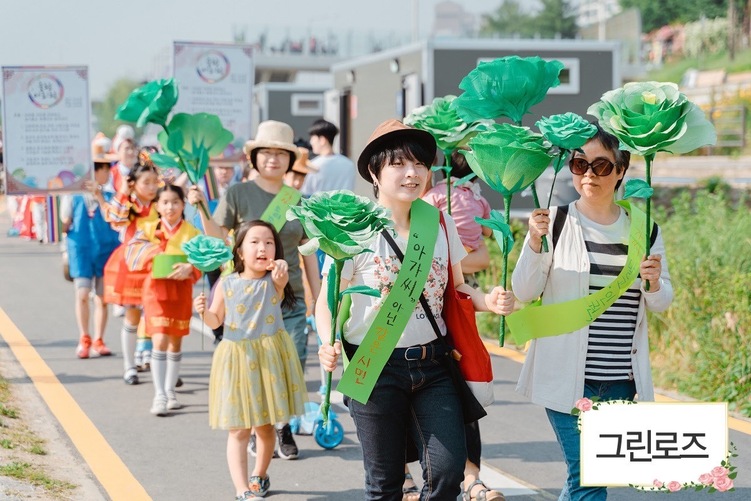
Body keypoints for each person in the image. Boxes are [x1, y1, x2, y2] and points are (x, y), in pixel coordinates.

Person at [316, 119, 514, 500]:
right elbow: (328, 303)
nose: (412, 173)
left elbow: (457, 288)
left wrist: (487, 301)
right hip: (373, 366)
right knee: (385, 484)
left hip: (434, 365)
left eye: (420, 164)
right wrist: (328, 341)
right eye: (398, 164)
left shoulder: (437, 222)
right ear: (374, 172)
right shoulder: (354, 229)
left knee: (447, 471)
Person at [511, 123, 673, 501]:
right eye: (579, 163)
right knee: (588, 473)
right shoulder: (554, 221)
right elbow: (524, 291)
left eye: (601, 166)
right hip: (568, 375)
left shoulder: (643, 228)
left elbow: (662, 301)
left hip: (621, 379)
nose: (588, 175)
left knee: (584, 476)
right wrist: (534, 242)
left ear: (621, 170)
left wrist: (652, 282)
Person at [188, 120, 322, 460]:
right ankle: (254, 425)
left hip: (287, 295)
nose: (273, 160)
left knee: (289, 364)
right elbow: (218, 237)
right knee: (252, 369)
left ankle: (283, 426)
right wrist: (202, 206)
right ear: (255, 157)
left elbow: (307, 252)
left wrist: (317, 295)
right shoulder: (238, 193)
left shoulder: (298, 200)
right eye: (267, 153)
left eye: (281, 154)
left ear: (290, 160)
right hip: (244, 301)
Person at [195, 220, 307, 500]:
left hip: (269, 359)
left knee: (266, 428)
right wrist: (202, 313)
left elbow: (281, 283)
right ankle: (242, 488)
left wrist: (281, 272)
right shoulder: (227, 282)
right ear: (240, 252)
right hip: (237, 360)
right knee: (238, 430)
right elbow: (215, 320)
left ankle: (261, 474)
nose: (262, 247)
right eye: (254, 242)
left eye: (269, 242)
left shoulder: (275, 279)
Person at [420, 149, 502, 500]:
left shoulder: (434, 204)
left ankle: (471, 478)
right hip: (417, 328)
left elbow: (478, 261)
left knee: (463, 396)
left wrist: (448, 260)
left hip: (454, 312)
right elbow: (480, 254)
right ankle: (418, 480)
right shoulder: (469, 201)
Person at [125, 184, 201, 415]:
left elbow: (203, 259)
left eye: (175, 202)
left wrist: (191, 267)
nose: (170, 207)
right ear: (157, 205)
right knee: (158, 340)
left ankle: (170, 391)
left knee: (175, 342)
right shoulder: (146, 228)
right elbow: (132, 253)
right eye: (165, 202)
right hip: (155, 291)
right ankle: (159, 394)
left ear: (183, 204)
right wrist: (154, 253)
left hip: (181, 291)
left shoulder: (192, 232)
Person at [102, 161, 160, 385]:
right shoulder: (128, 203)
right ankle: (129, 367)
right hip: (132, 265)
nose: (152, 187)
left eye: (155, 182)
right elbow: (115, 220)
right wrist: (124, 191)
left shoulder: (161, 204)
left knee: (155, 315)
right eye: (146, 182)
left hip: (156, 264)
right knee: (132, 316)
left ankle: (159, 365)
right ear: (134, 183)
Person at [61, 156, 121, 359]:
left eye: (105, 169)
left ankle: (99, 339)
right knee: (83, 294)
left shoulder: (112, 196)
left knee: (103, 298)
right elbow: (64, 224)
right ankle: (84, 337)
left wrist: (100, 197)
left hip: (106, 250)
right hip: (82, 250)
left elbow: (115, 220)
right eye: (102, 169)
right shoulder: (73, 196)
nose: (106, 172)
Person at [423, 149, 493, 279]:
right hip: (470, 251)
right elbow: (488, 231)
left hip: (447, 249)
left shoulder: (438, 193)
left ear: (444, 169)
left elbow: (422, 211)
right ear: (476, 175)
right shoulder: (480, 199)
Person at [300, 119, 355, 195]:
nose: (311, 142)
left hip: (317, 206)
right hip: (343, 205)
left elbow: (305, 192)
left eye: (312, 138)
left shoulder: (313, 165)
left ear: (322, 140)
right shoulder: (349, 164)